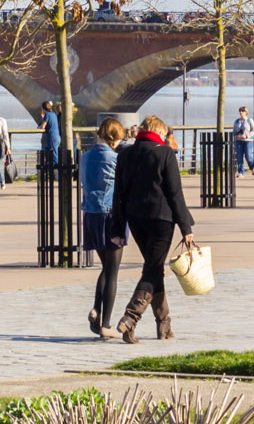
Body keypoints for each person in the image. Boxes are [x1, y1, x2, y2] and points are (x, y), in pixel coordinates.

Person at [108, 114, 195, 343]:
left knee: (154, 269)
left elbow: (119, 194)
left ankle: (164, 325)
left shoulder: (125, 154)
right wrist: (186, 227)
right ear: (159, 132)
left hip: (136, 219)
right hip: (162, 220)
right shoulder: (165, 153)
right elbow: (175, 194)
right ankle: (130, 318)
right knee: (152, 269)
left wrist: (117, 228)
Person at [81, 118, 127, 339]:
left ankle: (96, 310)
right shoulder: (115, 159)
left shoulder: (85, 157)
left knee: (105, 267)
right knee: (113, 271)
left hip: (90, 215)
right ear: (114, 138)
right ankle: (106, 324)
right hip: (110, 216)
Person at [231, 106, 254, 175]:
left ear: (246, 112)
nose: (241, 112)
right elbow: (234, 131)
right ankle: (241, 172)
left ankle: (252, 166)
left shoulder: (249, 120)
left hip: (248, 141)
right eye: (240, 111)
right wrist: (236, 136)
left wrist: (247, 136)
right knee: (239, 156)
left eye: (242, 111)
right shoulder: (237, 121)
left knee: (248, 156)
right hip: (239, 141)